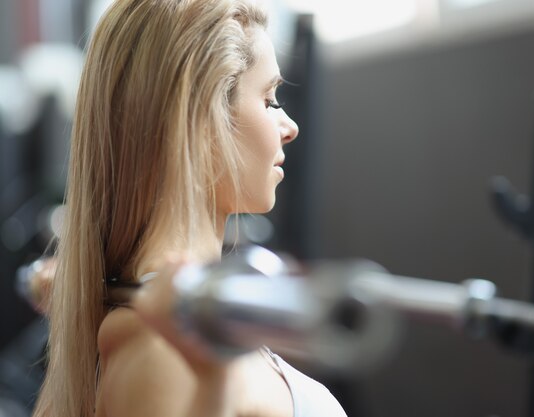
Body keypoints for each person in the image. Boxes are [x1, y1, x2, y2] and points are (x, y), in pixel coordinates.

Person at [32, 1, 347, 416]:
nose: (290, 127)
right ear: (204, 122)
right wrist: (213, 374)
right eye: (269, 100)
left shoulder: (171, 323)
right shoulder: (161, 349)